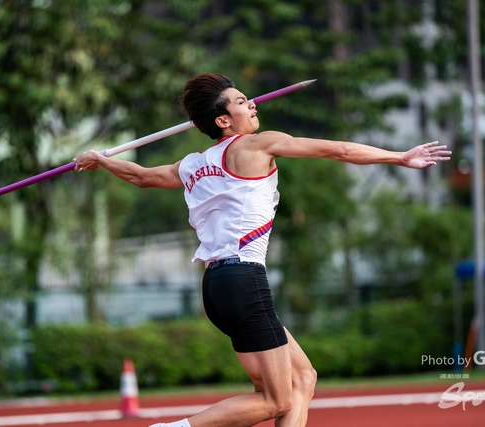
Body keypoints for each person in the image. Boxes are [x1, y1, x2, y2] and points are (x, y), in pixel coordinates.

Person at [74, 73, 452, 427]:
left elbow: (142, 177)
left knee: (302, 377)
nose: (252, 103)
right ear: (223, 120)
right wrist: (399, 157)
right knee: (276, 401)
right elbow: (337, 150)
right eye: (241, 101)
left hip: (218, 287)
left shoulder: (191, 164)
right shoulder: (258, 144)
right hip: (244, 279)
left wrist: (102, 160)